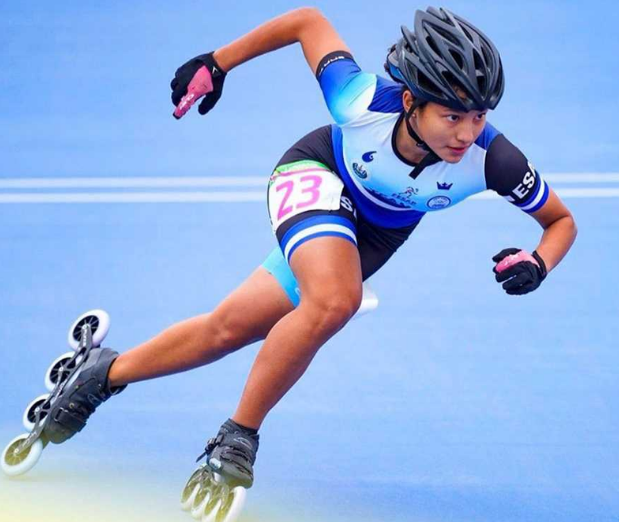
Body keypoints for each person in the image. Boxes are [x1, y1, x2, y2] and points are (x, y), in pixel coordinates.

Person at [44, 6, 577, 491]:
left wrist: (539, 262)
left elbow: (560, 221)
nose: (466, 134)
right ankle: (238, 436)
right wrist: (217, 63)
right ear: (410, 102)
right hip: (317, 172)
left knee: (228, 329)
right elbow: (307, 21)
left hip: (377, 234)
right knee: (334, 301)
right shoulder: (359, 99)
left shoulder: (495, 161)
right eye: (452, 117)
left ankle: (101, 374)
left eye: (478, 116)